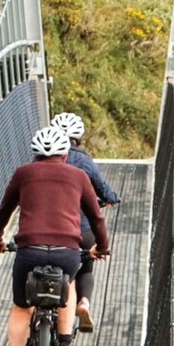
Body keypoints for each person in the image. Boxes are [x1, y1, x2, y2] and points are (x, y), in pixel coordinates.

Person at [0, 126, 111, 346]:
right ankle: (65, 343)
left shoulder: (23, 174)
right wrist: (101, 247)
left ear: (34, 155)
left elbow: (4, 210)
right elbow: (96, 217)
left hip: (28, 250)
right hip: (67, 252)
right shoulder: (79, 176)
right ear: (65, 154)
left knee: (22, 307)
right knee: (68, 285)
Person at [50, 112, 121, 332]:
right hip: (81, 229)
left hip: (47, 228)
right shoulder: (84, 161)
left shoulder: (41, 160)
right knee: (85, 268)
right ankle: (84, 303)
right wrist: (112, 198)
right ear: (78, 137)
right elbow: (103, 188)